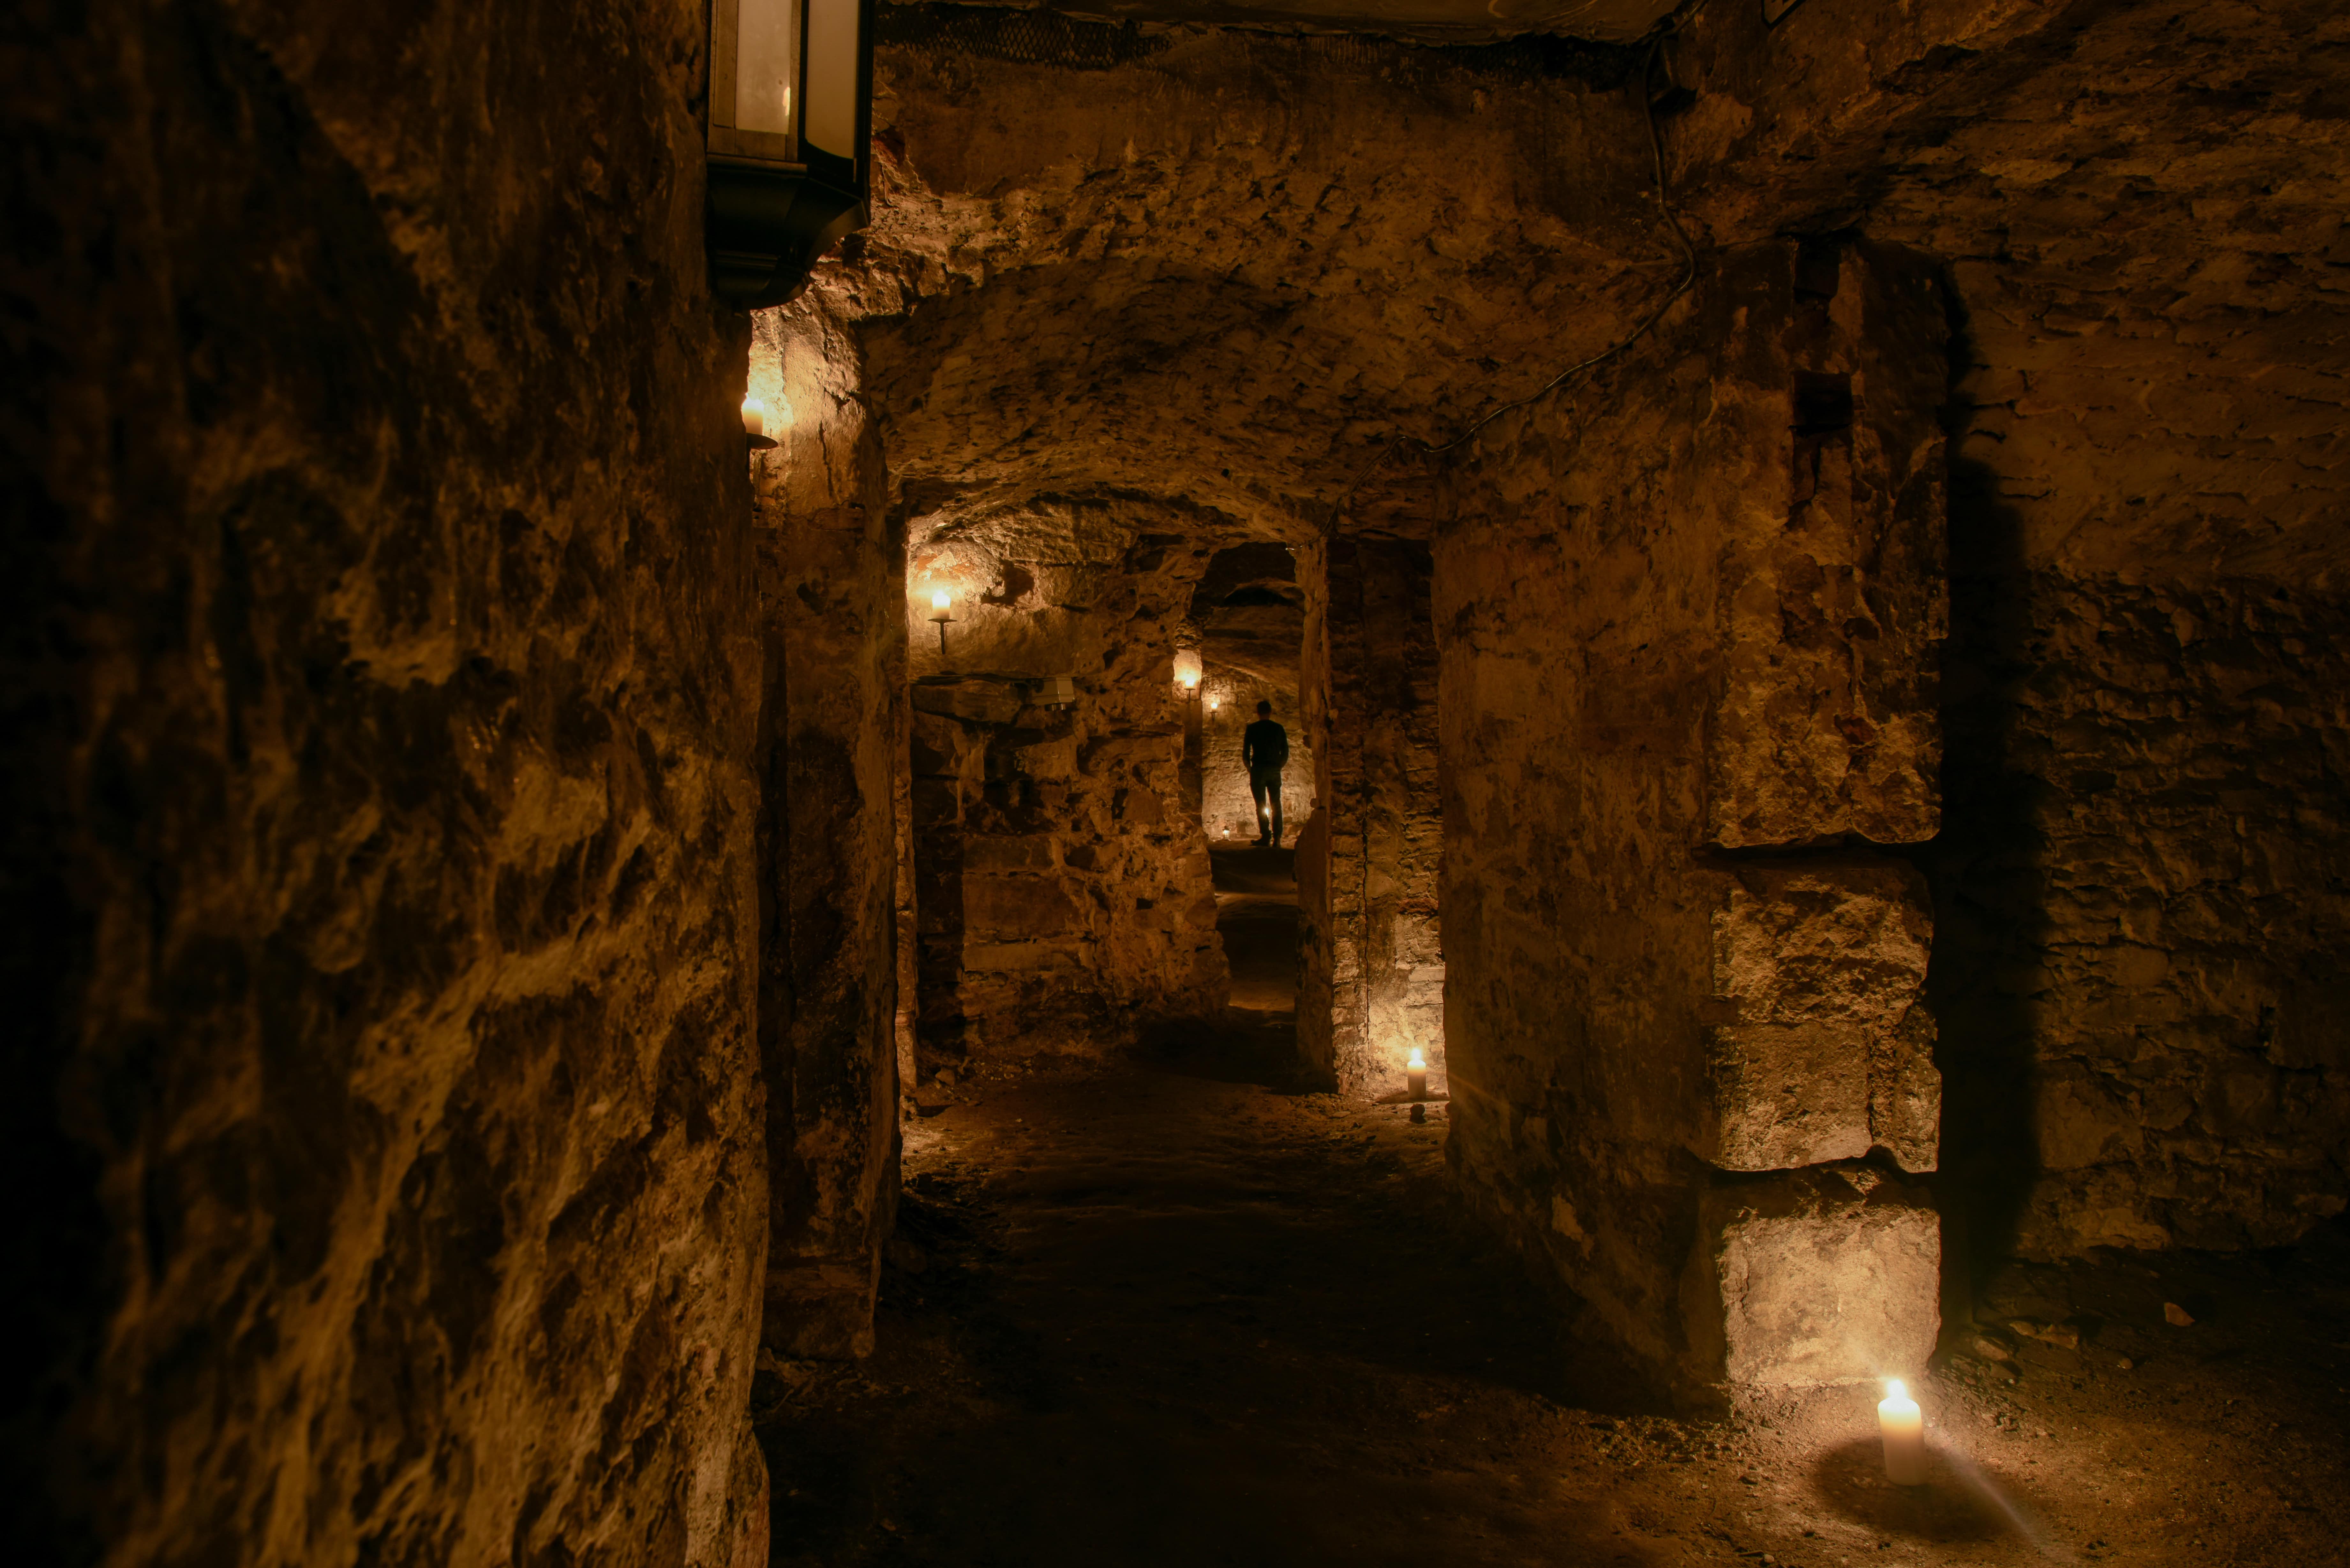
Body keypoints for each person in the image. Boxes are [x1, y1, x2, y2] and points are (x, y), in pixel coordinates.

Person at [1241, 700, 1289, 847]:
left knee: (1261, 804)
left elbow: (1246, 752)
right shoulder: (1278, 728)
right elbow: (1285, 751)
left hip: (1259, 769)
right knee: (1276, 804)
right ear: (1271, 712)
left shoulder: (1252, 729)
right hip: (1274, 769)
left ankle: (1266, 836)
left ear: (1258, 713)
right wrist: (1279, 766)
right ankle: (1278, 838)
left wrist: (1249, 767)